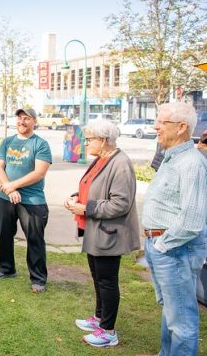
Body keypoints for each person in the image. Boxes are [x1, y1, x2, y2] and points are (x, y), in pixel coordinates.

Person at [141, 102, 207, 356]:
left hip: (174, 249)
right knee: (172, 311)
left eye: (162, 122)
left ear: (181, 128)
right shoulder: (172, 158)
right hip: (164, 248)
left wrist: (161, 244)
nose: (155, 127)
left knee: (181, 319)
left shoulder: (191, 164)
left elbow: (192, 220)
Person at [64, 120, 140, 348]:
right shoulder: (103, 159)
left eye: (89, 139)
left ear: (104, 140)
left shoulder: (121, 163)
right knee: (98, 277)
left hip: (109, 233)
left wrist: (86, 208)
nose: (86, 143)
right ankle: (99, 318)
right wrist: (76, 197)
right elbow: (92, 186)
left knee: (107, 281)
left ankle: (108, 331)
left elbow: (120, 204)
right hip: (95, 231)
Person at [0, 108, 52, 293]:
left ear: (34, 121)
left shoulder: (40, 144)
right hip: (5, 197)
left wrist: (13, 185)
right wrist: (8, 188)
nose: (22, 121)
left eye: (27, 118)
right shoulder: (8, 142)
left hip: (32, 200)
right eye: (19, 118)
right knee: (4, 234)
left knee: (35, 239)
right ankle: (6, 268)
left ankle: (38, 279)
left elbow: (39, 172)